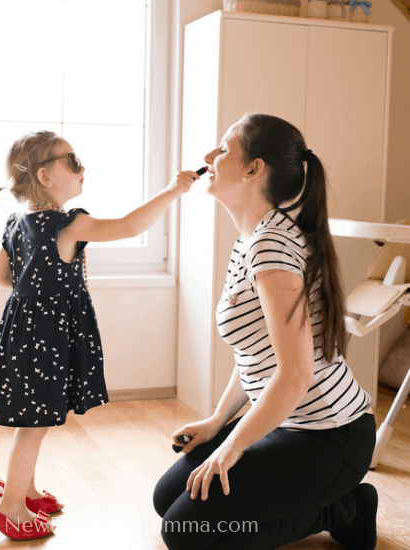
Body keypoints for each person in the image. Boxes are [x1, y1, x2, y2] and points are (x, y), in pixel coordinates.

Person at [153, 114, 378, 550]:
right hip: (287, 423)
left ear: (254, 169)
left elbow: (295, 374)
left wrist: (232, 447)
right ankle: (324, 499)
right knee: (169, 500)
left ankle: (345, 507)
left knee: (184, 530)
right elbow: (257, 352)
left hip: (331, 437)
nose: (208, 158)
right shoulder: (252, 238)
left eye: (222, 149)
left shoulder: (271, 246)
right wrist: (219, 421)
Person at [0, 130, 198, 540]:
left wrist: (36, 294)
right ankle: (11, 505)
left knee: (36, 416)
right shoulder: (65, 223)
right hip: (48, 335)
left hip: (24, 329)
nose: (81, 168)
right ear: (45, 175)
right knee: (34, 423)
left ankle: (27, 491)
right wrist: (173, 191)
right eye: (72, 161)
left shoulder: (19, 222)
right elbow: (127, 226)